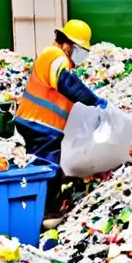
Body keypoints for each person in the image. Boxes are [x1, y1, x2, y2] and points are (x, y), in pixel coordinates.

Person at [14, 19, 107, 219]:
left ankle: (39, 207)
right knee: (48, 169)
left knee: (46, 166)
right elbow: (68, 84)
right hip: (38, 124)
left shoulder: (59, 59)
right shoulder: (54, 56)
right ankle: (44, 213)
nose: (82, 54)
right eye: (80, 48)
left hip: (41, 125)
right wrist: (95, 101)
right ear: (67, 44)